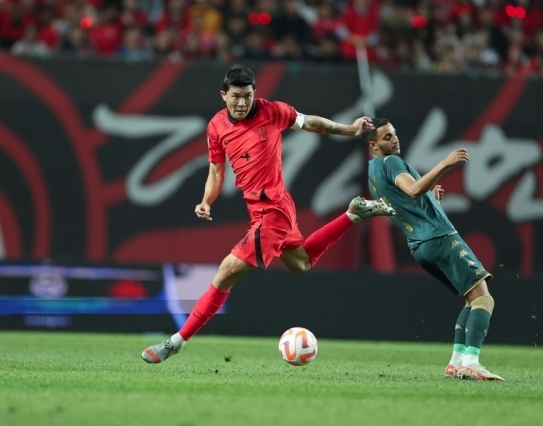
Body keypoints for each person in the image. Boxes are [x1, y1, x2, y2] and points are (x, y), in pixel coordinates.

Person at [141, 65, 395, 363]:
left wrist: (349, 129)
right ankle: (353, 214)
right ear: (224, 96)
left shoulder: (273, 111)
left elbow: (313, 123)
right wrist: (206, 200)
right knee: (300, 264)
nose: (241, 103)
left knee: (224, 273)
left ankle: (176, 342)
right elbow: (215, 170)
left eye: (247, 96)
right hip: (261, 211)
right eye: (235, 96)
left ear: (254, 94)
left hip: (273, 209)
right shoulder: (216, 127)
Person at [362, 118, 503, 381]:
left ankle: (456, 361)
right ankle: (472, 361)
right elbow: (413, 190)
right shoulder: (390, 162)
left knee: (470, 300)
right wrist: (445, 163)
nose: (395, 139)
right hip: (440, 237)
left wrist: (430, 199)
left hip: (420, 246)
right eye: (387, 137)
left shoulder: (373, 172)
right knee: (484, 299)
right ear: (374, 145)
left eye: (394, 133)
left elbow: (404, 202)